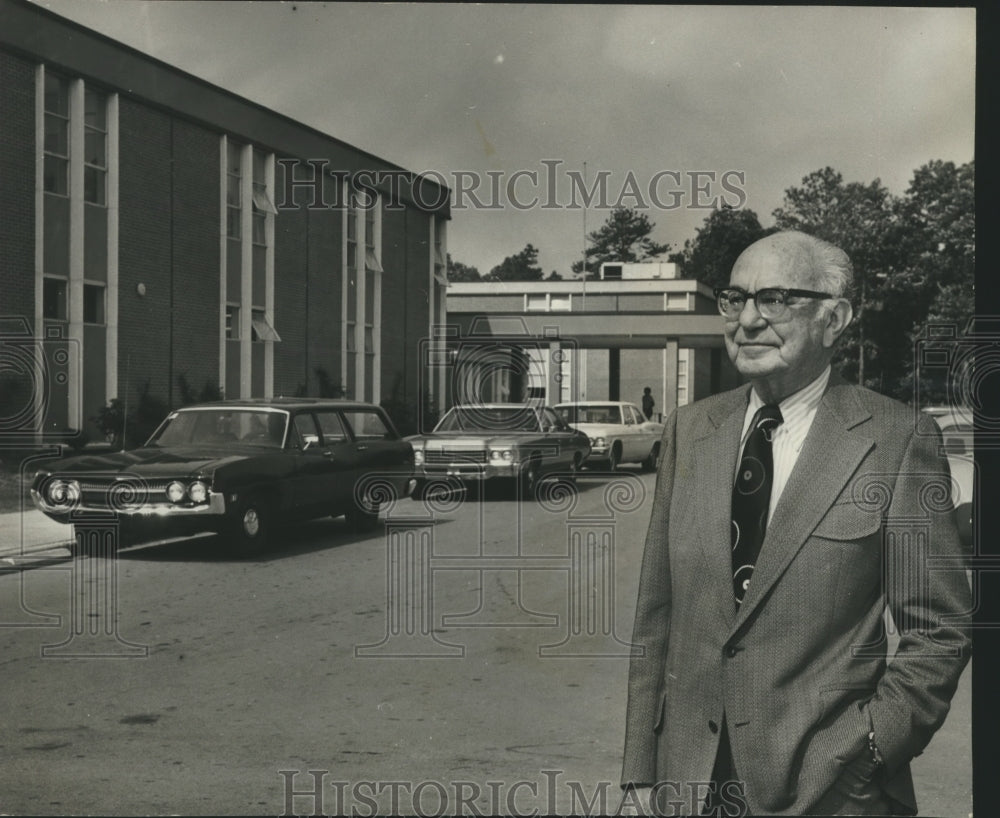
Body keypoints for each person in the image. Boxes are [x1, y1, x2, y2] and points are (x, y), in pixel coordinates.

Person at [620, 231, 972, 816]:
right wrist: (638, 775)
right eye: (735, 299)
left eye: (776, 299)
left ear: (833, 319)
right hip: (687, 788)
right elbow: (656, 619)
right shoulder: (689, 430)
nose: (748, 320)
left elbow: (940, 628)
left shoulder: (897, 440)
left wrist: (868, 748)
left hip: (830, 789)